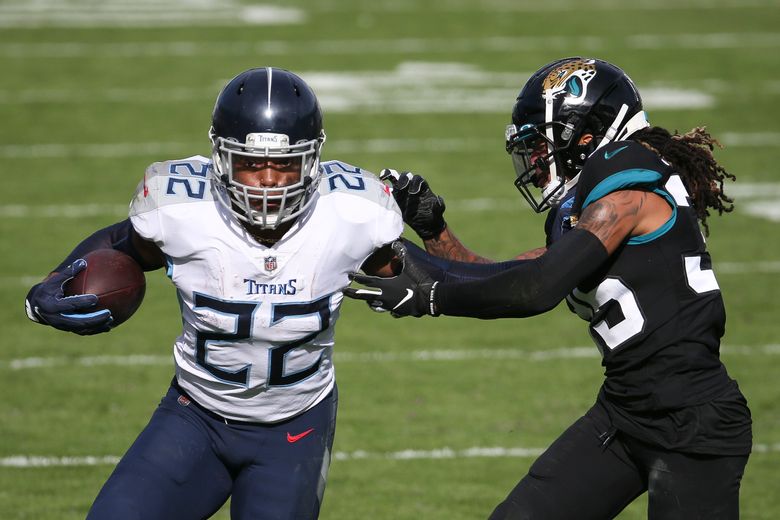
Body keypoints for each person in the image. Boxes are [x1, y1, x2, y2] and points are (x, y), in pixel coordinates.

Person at [345, 57, 752, 519]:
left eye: (540, 144)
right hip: (626, 412)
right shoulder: (593, 205)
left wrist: (432, 294)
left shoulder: (628, 189)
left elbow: (535, 290)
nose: (535, 160)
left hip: (693, 425)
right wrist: (432, 229)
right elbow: (501, 276)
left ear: (586, 133)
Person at [24, 67, 403, 519]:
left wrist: (436, 231)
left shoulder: (353, 214)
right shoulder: (181, 208)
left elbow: (436, 281)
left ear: (312, 160)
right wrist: (55, 279)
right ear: (221, 158)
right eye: (250, 162)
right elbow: (120, 244)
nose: (266, 180)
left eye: (284, 164)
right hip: (195, 416)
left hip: (294, 429)